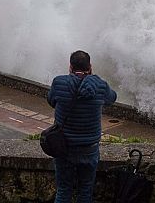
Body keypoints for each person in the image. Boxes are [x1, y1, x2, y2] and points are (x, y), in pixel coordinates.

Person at [47, 50, 117, 203]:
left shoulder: (58, 82)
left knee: (64, 190)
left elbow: (51, 101)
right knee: (85, 191)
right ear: (90, 67)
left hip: (64, 146)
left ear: (70, 67)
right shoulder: (100, 85)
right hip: (89, 147)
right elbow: (112, 99)